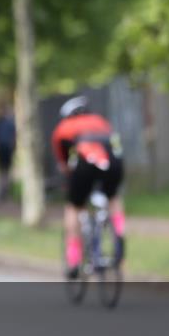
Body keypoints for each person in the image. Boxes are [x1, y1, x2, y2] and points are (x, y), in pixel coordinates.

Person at [50, 96, 125, 279]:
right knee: (113, 197)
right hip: (113, 163)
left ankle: (74, 261)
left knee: (74, 207)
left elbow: (64, 164)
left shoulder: (63, 129)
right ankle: (119, 235)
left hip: (84, 164)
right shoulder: (101, 121)